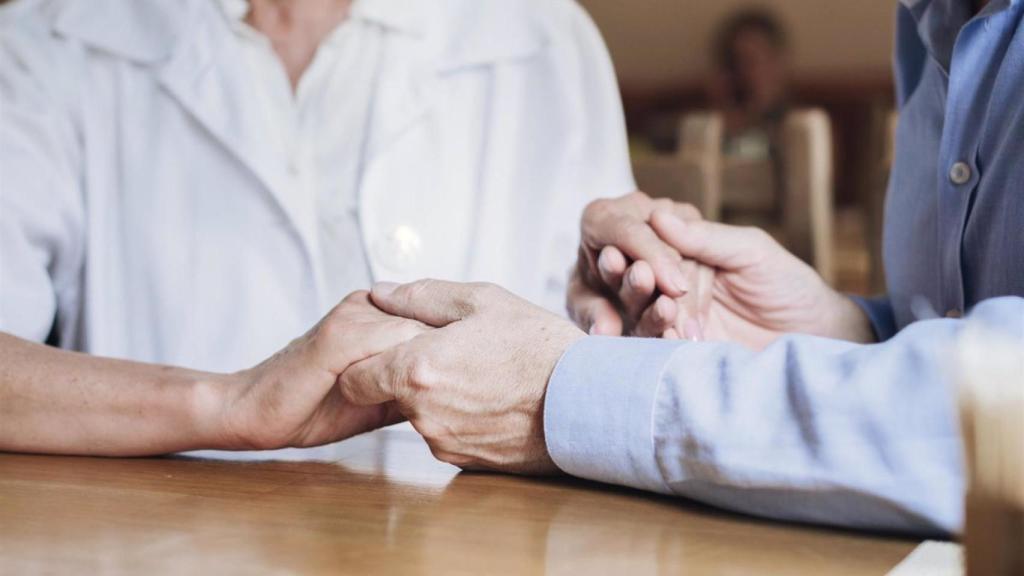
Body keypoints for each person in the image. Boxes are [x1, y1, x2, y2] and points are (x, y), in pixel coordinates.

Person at [336, 0, 1024, 535]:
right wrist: (837, 331)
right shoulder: (932, 25)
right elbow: (969, 341)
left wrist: (563, 393)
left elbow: (1007, 415)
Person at [0, 0, 642, 457]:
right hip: (162, 546)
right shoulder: (45, 41)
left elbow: (595, 351)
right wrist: (225, 405)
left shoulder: (544, 36)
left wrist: (642, 326)